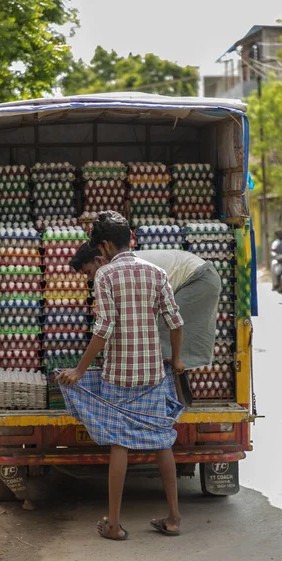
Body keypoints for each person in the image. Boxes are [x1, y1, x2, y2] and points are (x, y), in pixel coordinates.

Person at [57, 211, 185, 541]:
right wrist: (178, 359)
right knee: (162, 441)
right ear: (131, 237)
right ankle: (173, 517)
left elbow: (103, 329)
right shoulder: (156, 273)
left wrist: (79, 370)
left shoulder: (106, 276)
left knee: (120, 444)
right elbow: (176, 322)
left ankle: (114, 525)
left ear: (104, 245)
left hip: (119, 376)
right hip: (153, 374)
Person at [70, 242, 221, 370]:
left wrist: (79, 370)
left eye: (89, 272)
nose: (90, 278)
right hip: (195, 277)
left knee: (161, 338)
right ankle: (173, 393)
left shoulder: (124, 269)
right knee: (162, 342)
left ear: (98, 260)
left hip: (198, 278)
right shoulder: (118, 269)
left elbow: (118, 320)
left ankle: (170, 395)